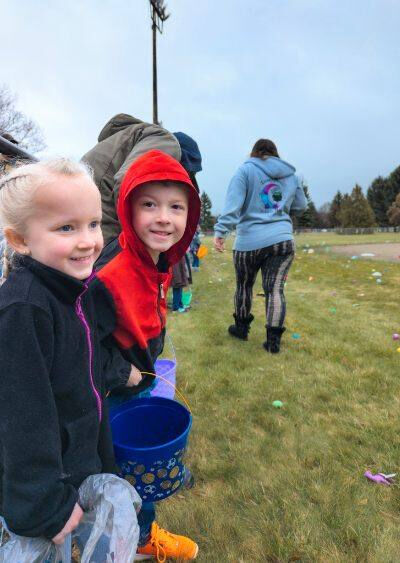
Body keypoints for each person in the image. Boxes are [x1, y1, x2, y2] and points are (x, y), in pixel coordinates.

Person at [0, 159, 129, 544]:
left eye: (93, 223)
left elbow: (88, 367)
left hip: (79, 462)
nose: (88, 240)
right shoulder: (23, 311)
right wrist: (45, 505)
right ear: (20, 240)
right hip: (46, 491)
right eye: (66, 228)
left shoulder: (78, 288)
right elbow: (21, 418)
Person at [93, 149, 201, 561]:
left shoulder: (157, 259)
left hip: (139, 378)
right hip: (114, 389)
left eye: (176, 207)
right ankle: (132, 540)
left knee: (136, 466)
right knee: (127, 469)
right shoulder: (111, 273)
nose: (163, 217)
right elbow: (82, 344)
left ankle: (137, 531)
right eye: (149, 204)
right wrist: (126, 374)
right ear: (128, 209)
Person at [213, 139, 307, 353]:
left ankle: (241, 328)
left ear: (254, 152)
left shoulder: (245, 171)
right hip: (282, 240)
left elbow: (233, 206)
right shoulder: (291, 175)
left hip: (248, 242)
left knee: (244, 286)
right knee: (275, 290)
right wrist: (281, 211)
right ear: (275, 154)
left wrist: (221, 231)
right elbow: (301, 206)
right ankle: (273, 343)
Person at [82, 114, 202, 245]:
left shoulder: (131, 138)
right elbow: (126, 182)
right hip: (104, 216)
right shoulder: (166, 142)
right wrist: (137, 247)